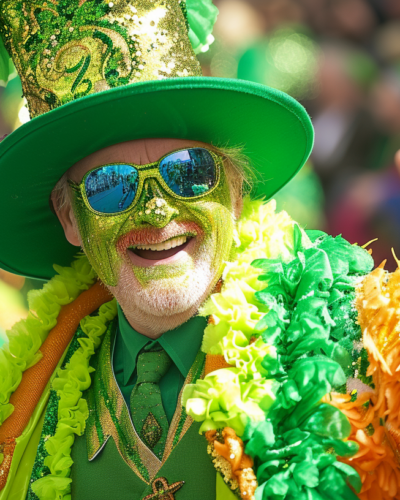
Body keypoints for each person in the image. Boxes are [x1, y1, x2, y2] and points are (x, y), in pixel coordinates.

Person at [0, 1, 400, 500]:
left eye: (188, 171)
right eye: (110, 186)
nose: (156, 212)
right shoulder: (26, 395)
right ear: (69, 219)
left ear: (235, 191)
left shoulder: (362, 347)